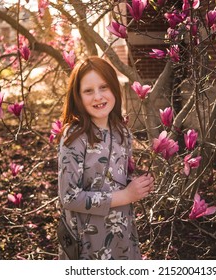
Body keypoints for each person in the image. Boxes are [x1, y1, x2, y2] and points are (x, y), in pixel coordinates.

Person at [57, 56, 154, 260]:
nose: (98, 96)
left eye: (104, 87)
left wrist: (137, 186)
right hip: (89, 241)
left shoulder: (122, 132)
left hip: (122, 236)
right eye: (88, 91)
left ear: (114, 89)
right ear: (78, 96)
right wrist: (125, 196)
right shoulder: (75, 137)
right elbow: (69, 197)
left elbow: (121, 178)